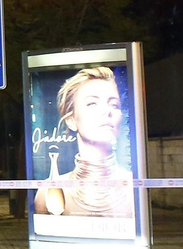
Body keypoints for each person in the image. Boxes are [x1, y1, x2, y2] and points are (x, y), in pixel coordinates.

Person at [34, 66, 133, 218]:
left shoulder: (135, 187)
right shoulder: (49, 191)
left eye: (114, 104)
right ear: (71, 120)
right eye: (92, 103)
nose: (107, 111)